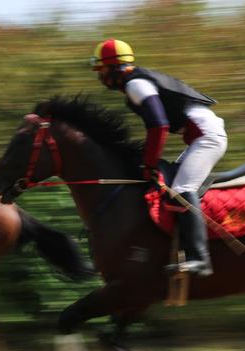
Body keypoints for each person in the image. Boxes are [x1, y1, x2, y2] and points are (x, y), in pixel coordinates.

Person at [91, 39, 228, 277]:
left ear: (113, 67)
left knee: (182, 188)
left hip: (207, 137)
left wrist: (149, 163)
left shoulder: (135, 85)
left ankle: (200, 259)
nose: (100, 76)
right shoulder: (136, 83)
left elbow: (158, 125)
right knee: (172, 185)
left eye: (101, 70)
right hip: (202, 136)